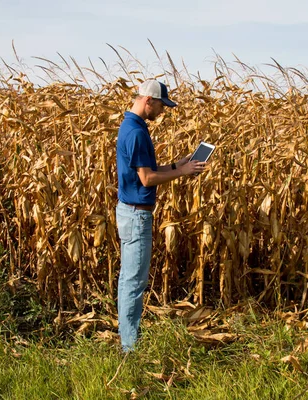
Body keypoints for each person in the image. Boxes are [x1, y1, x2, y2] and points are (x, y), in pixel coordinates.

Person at [115, 79, 206, 352]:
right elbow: (147, 179)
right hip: (136, 216)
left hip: (129, 213)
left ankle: (127, 340)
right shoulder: (137, 133)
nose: (163, 112)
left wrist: (178, 164)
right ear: (148, 101)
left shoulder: (131, 126)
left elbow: (145, 170)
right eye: (162, 106)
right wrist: (183, 172)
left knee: (128, 279)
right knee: (133, 282)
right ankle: (129, 349)